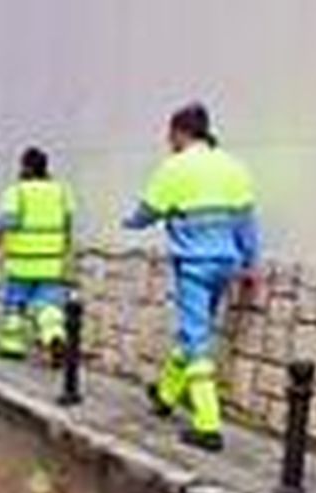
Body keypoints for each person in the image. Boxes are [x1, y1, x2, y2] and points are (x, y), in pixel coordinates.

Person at [122, 103, 260, 452]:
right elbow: (246, 221)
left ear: (181, 132)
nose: (167, 141)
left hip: (194, 265)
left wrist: (131, 222)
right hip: (226, 263)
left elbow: (149, 210)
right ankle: (167, 395)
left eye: (169, 134)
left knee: (197, 340)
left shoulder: (175, 167)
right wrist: (251, 264)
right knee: (193, 330)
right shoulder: (233, 166)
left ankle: (208, 424)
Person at [0, 147, 76, 365]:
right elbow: (68, 226)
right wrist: (67, 255)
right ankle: (55, 337)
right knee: (49, 306)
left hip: (21, 263)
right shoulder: (62, 192)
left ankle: (12, 347)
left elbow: (6, 224)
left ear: (25, 167)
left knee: (15, 306)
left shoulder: (16, 192)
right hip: (51, 262)